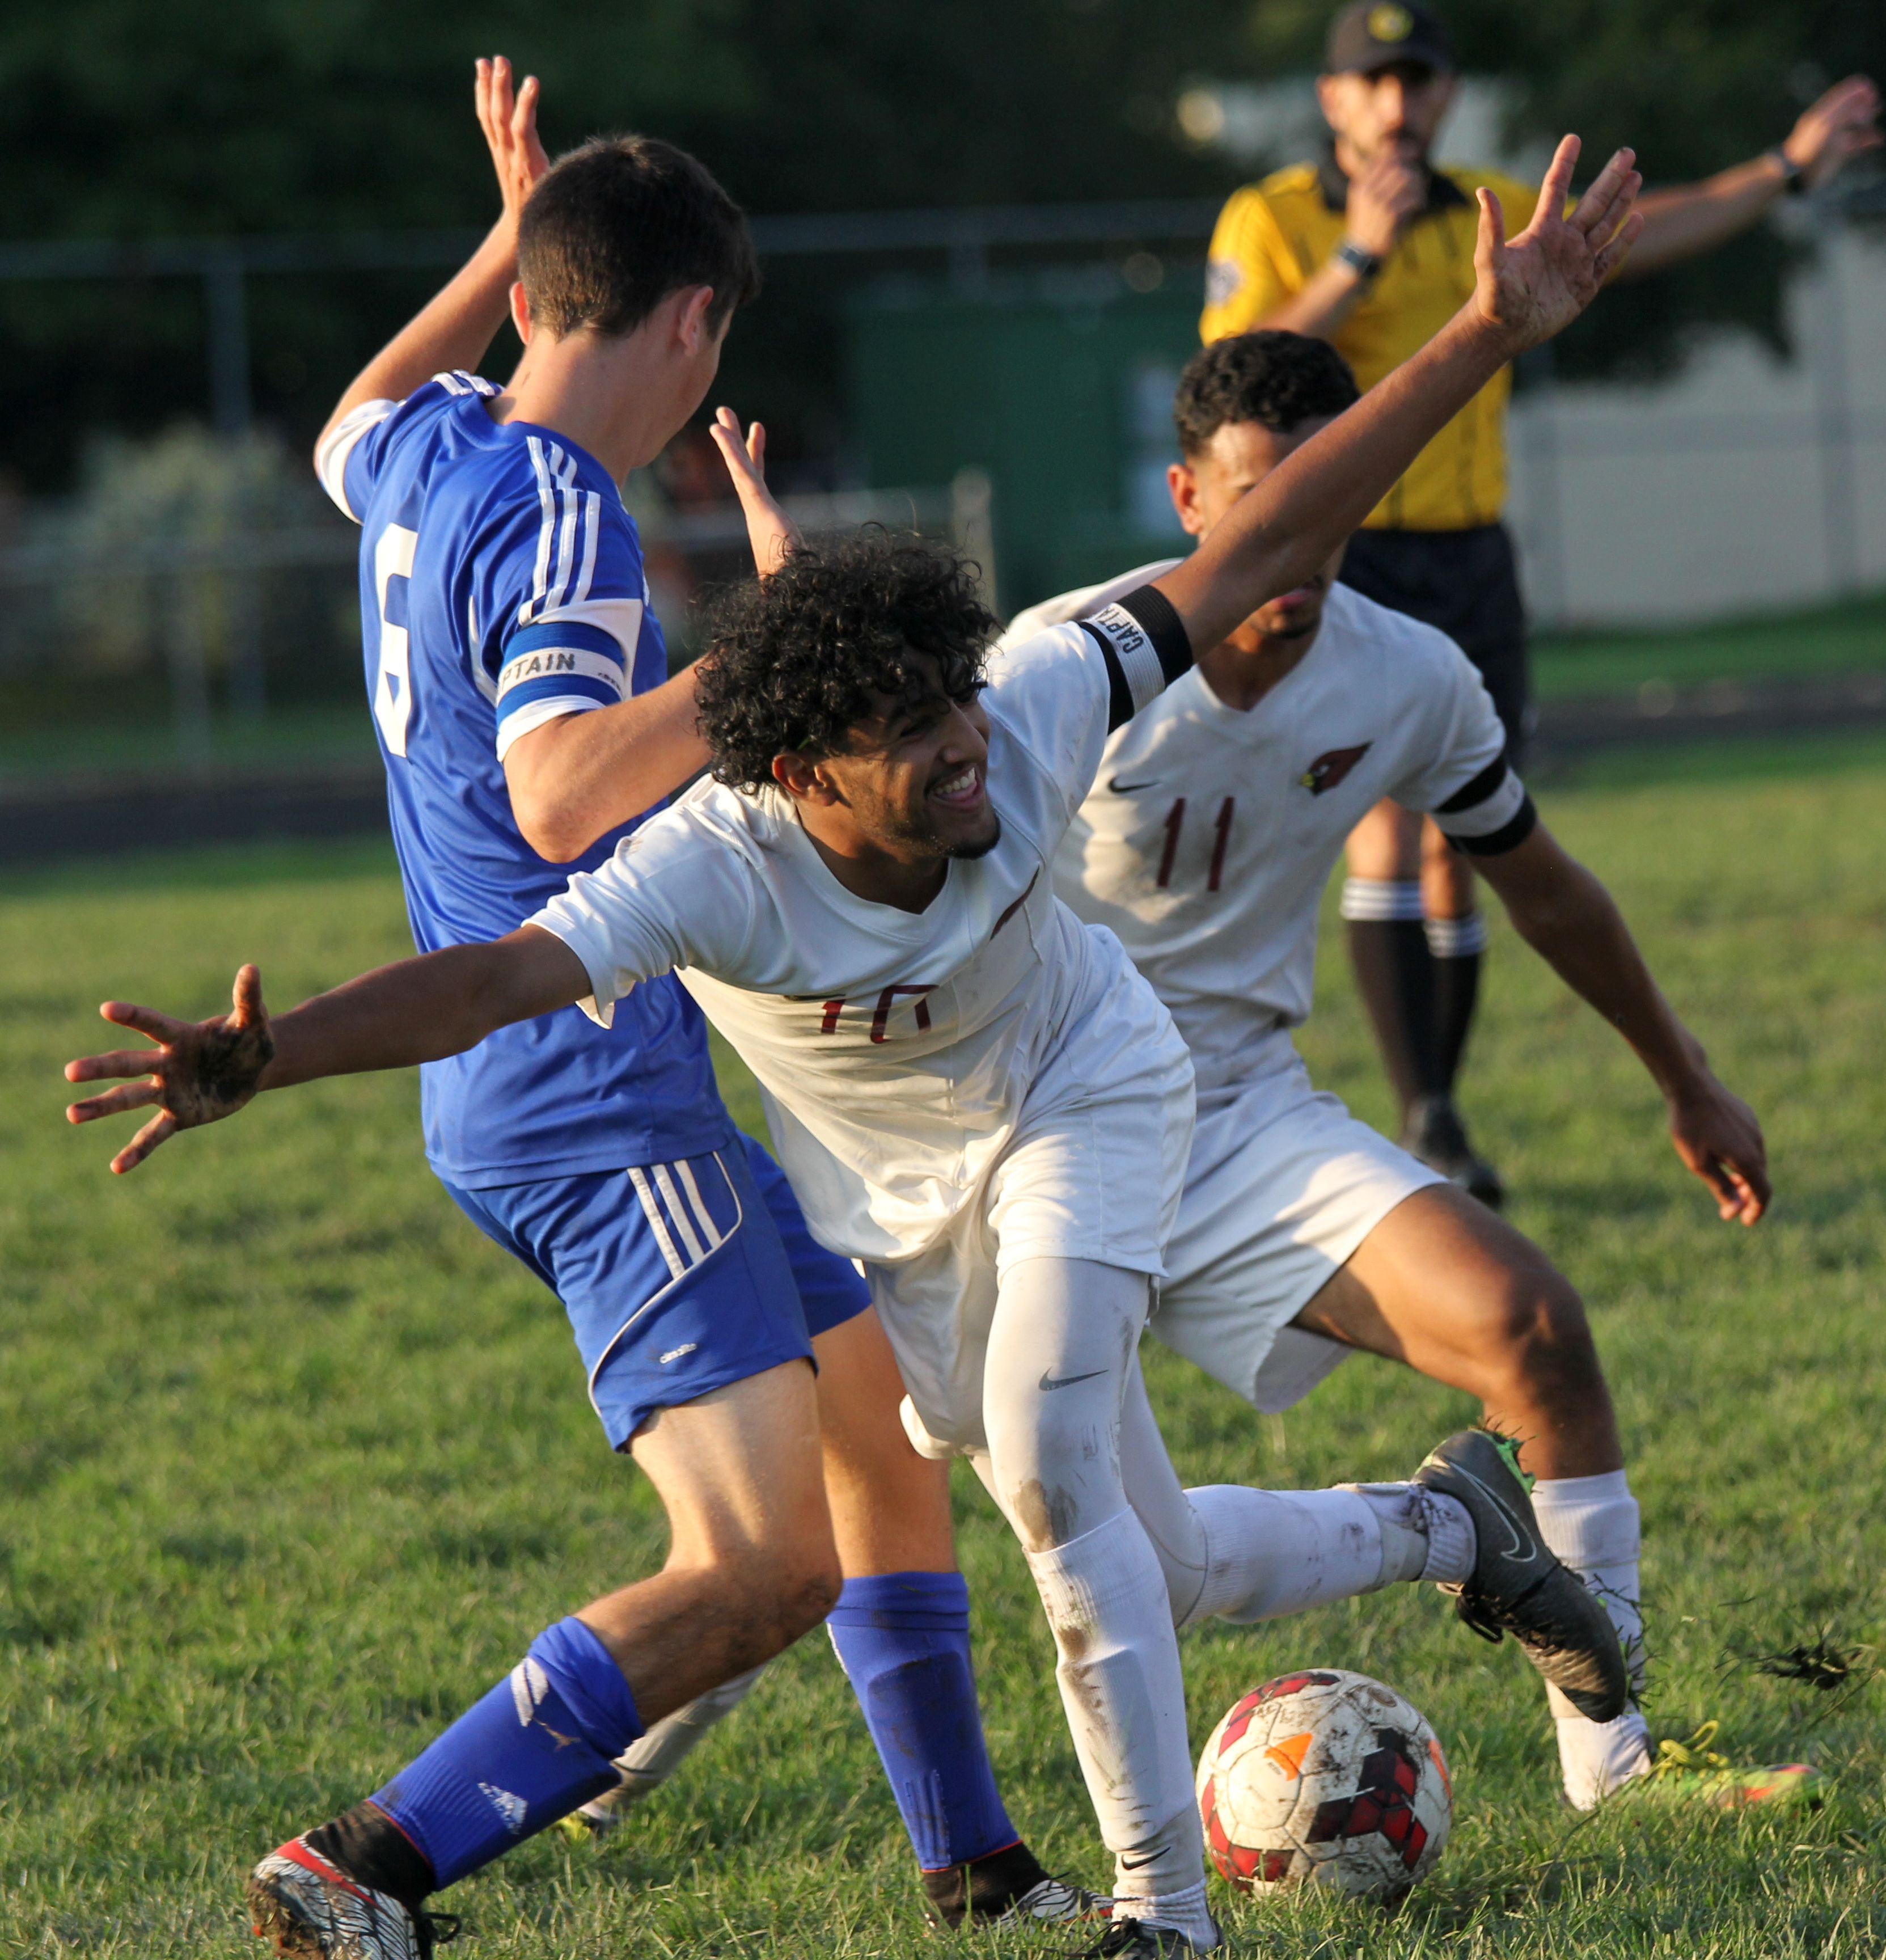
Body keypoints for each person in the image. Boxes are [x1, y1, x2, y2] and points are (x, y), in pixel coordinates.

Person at [66, 135, 1642, 1955]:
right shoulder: (706, 862)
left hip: (1084, 1094)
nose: (971, 758)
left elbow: (1261, 537)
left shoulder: (1033, 701)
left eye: (960, 711)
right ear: (790, 772)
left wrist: (1479, 333)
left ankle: (1157, 1917)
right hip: (882, 1184)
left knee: (1030, 1479)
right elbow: (502, 971)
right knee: (1150, 1553)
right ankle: (1447, 1533)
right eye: (913, 741)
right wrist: (277, 1058)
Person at [165, 57, 1073, 1958]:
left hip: (556, 1067)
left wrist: (508, 229)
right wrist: (778, 645)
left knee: (879, 1437)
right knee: (755, 1567)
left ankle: (973, 1867)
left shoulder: (424, 451)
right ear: (690, 320)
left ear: (525, 294)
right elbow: (565, 794)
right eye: (708, 346)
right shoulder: (565, 506)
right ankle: (367, 1862)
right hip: (586, 1085)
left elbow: (345, 408)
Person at [1000, 326, 1816, 1813]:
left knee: (1531, 1326)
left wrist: (1681, 1076)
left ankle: (1612, 1763)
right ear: (1188, 499)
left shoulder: (1409, 677)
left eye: (1322, 508)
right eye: (1257, 512)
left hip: (1237, 1119)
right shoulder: (1067, 668)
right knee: (1090, 1553)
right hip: (1034, 1139)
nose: (1292, 553)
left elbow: (1539, 883)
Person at [1201, 0, 1881, 1203]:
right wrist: (1356, 253)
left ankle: (1439, 1108)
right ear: (1332, 100)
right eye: (1373, 81)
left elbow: (1634, 233)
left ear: (1447, 95)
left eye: (1418, 79)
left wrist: (1780, 169)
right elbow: (1232, 362)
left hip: (1470, 552)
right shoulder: (1274, 216)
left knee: (1473, 833)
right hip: (1348, 553)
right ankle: (1426, 1118)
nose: (1398, 101)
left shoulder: (1481, 203)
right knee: (1386, 829)